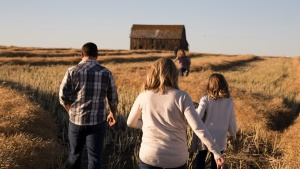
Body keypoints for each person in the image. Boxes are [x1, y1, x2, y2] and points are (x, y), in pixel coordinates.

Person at [127, 58, 224, 169]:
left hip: (150, 157)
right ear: (174, 74)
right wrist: (216, 152)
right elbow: (197, 127)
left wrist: (148, 124)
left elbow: (131, 122)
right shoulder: (182, 96)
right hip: (176, 158)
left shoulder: (143, 96)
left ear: (153, 73)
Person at [59, 42, 118, 169]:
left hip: (76, 121)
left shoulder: (71, 71)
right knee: (95, 158)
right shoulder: (106, 72)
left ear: (81, 54)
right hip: (97, 122)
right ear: (97, 55)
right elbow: (113, 98)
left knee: (74, 156)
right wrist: (113, 113)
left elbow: (63, 97)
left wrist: (70, 111)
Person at [192, 73, 236, 169]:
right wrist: (232, 134)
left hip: (206, 135)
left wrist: (192, 109)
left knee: (201, 157)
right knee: (217, 161)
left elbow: (197, 116)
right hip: (221, 136)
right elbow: (231, 120)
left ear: (210, 85)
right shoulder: (229, 101)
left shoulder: (205, 99)